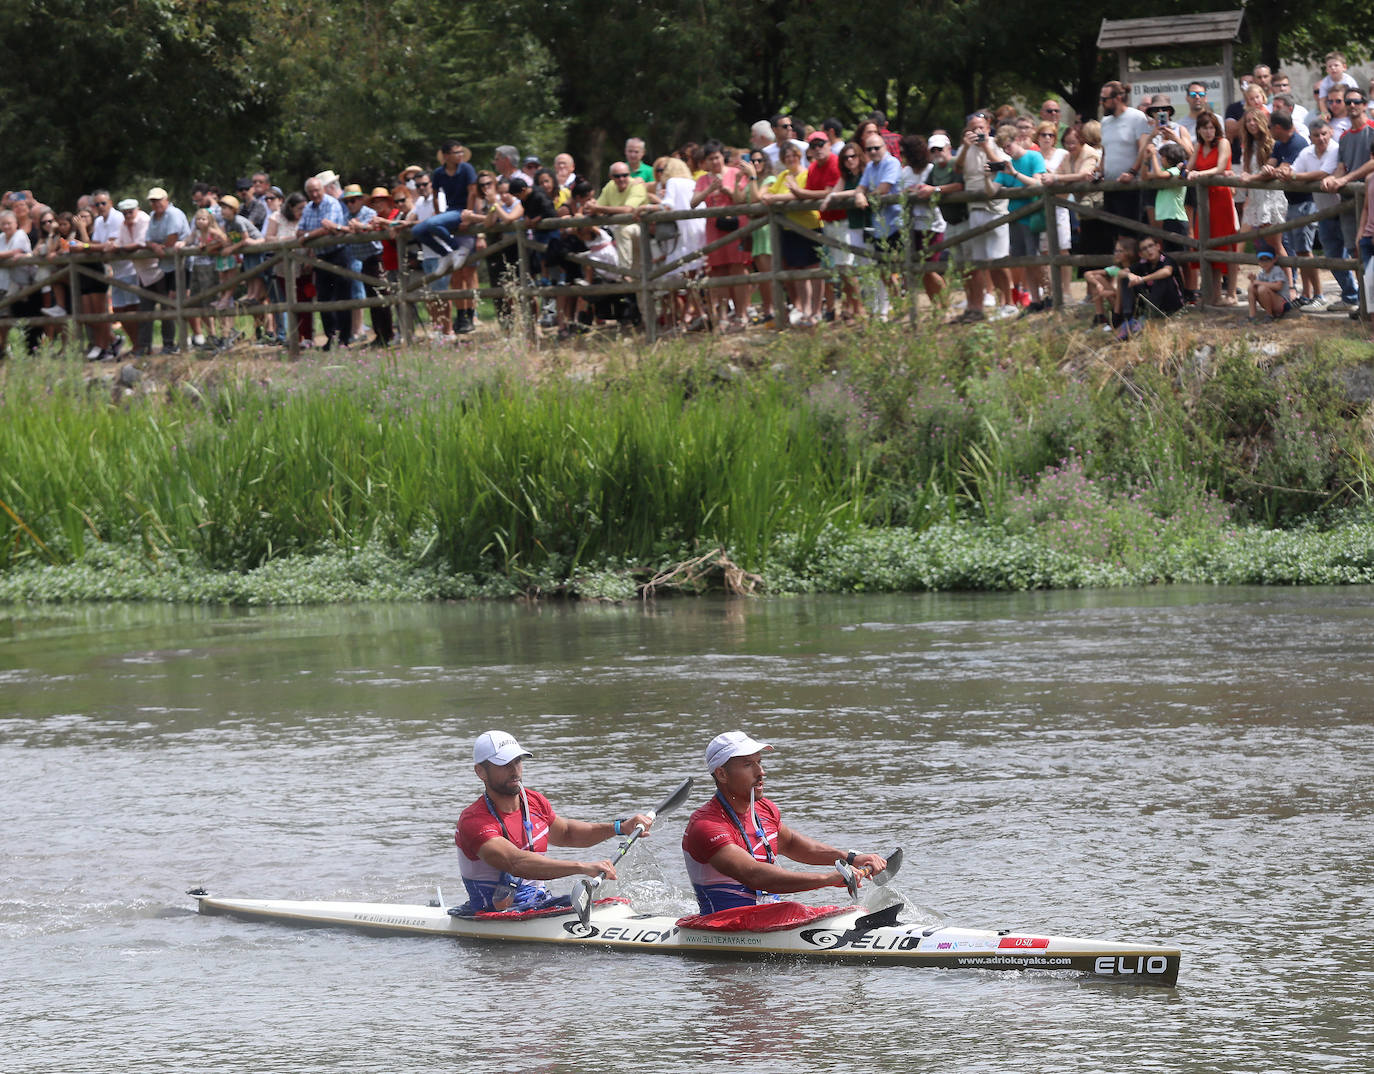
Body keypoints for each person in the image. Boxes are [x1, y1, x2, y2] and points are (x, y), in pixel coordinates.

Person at [681, 731, 887, 915]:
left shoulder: (764, 810)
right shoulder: (706, 826)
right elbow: (755, 876)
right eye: (748, 765)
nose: (760, 772)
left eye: (759, 762)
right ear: (722, 774)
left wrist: (851, 858)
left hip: (768, 918)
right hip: (723, 927)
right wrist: (828, 879)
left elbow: (793, 845)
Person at [454, 731, 653, 914]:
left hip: (538, 905)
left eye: (517, 761)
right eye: (504, 764)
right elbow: (515, 863)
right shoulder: (474, 821)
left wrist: (619, 827)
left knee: (614, 904)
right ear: (480, 772)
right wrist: (582, 867)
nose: (514, 770)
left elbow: (566, 833)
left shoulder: (533, 801)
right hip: (490, 917)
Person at [1288, 119, 1342, 309]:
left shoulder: (1335, 149)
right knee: (1330, 255)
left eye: (1324, 134)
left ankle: (1354, 297)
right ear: (1310, 137)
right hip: (1323, 210)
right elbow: (1293, 169)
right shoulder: (1306, 152)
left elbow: (1322, 173)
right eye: (1316, 135)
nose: (1321, 139)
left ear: (1331, 133)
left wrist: (1293, 177)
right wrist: (1289, 173)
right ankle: (1348, 295)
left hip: (1343, 209)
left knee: (1350, 254)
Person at [1186, 110, 1239, 304]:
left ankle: (1231, 293)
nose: (1208, 132)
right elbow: (1189, 167)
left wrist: (1199, 174)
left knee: (1227, 245)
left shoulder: (1223, 143)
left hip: (1221, 197)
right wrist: (1185, 172)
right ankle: (1214, 294)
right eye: (1204, 128)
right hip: (1205, 200)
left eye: (1211, 127)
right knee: (1208, 242)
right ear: (1198, 130)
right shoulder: (1198, 146)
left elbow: (1220, 167)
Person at [1248, 247, 1291, 321]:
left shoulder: (1277, 270)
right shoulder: (1262, 273)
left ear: (1274, 259)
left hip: (1281, 304)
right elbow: (1256, 286)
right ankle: (1252, 316)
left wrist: (1258, 282)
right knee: (1251, 287)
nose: (1264, 263)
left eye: (1268, 259)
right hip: (1270, 301)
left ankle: (1269, 315)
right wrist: (1253, 281)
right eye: (1262, 260)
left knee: (1262, 289)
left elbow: (1278, 286)